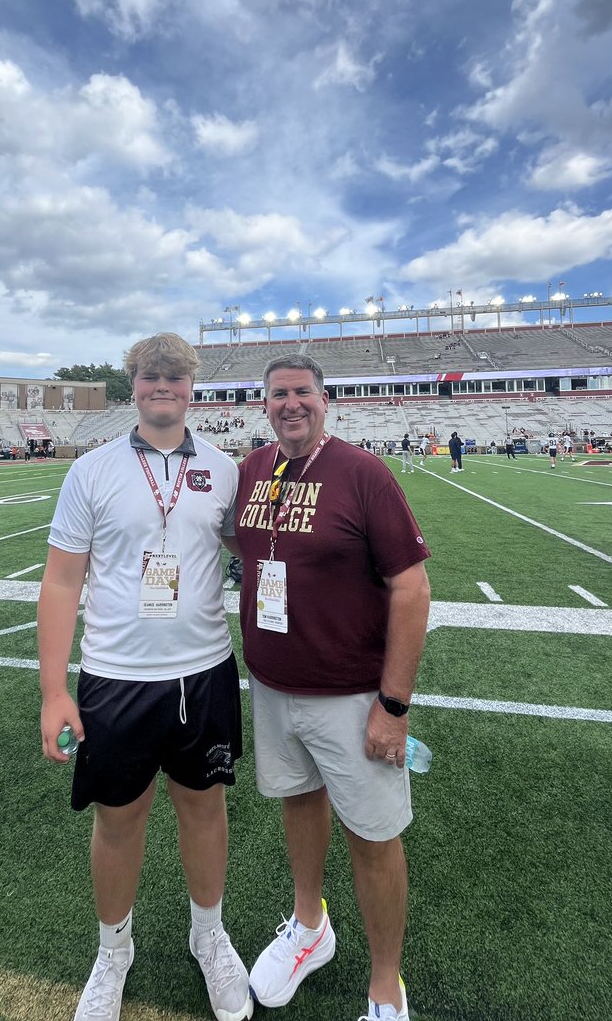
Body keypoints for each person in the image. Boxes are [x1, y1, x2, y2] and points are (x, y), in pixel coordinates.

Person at [37, 333, 252, 1021]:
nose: (163, 387)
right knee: (119, 818)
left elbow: (254, 554)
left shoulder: (224, 469)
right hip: (116, 675)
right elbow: (60, 581)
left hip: (204, 671)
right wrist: (53, 691)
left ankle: (208, 936)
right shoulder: (92, 470)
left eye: (175, 377)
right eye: (151, 377)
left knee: (204, 808)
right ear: (133, 384)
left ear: (193, 386)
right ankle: (113, 951)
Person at [229, 354, 430, 1021]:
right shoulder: (255, 470)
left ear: (324, 399)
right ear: (265, 405)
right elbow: (242, 546)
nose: (291, 403)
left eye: (302, 393)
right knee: (299, 803)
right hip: (274, 686)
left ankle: (384, 985)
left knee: (372, 837)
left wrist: (393, 706)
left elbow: (411, 587)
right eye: (279, 394)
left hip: (351, 695)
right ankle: (309, 927)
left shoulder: (363, 472)